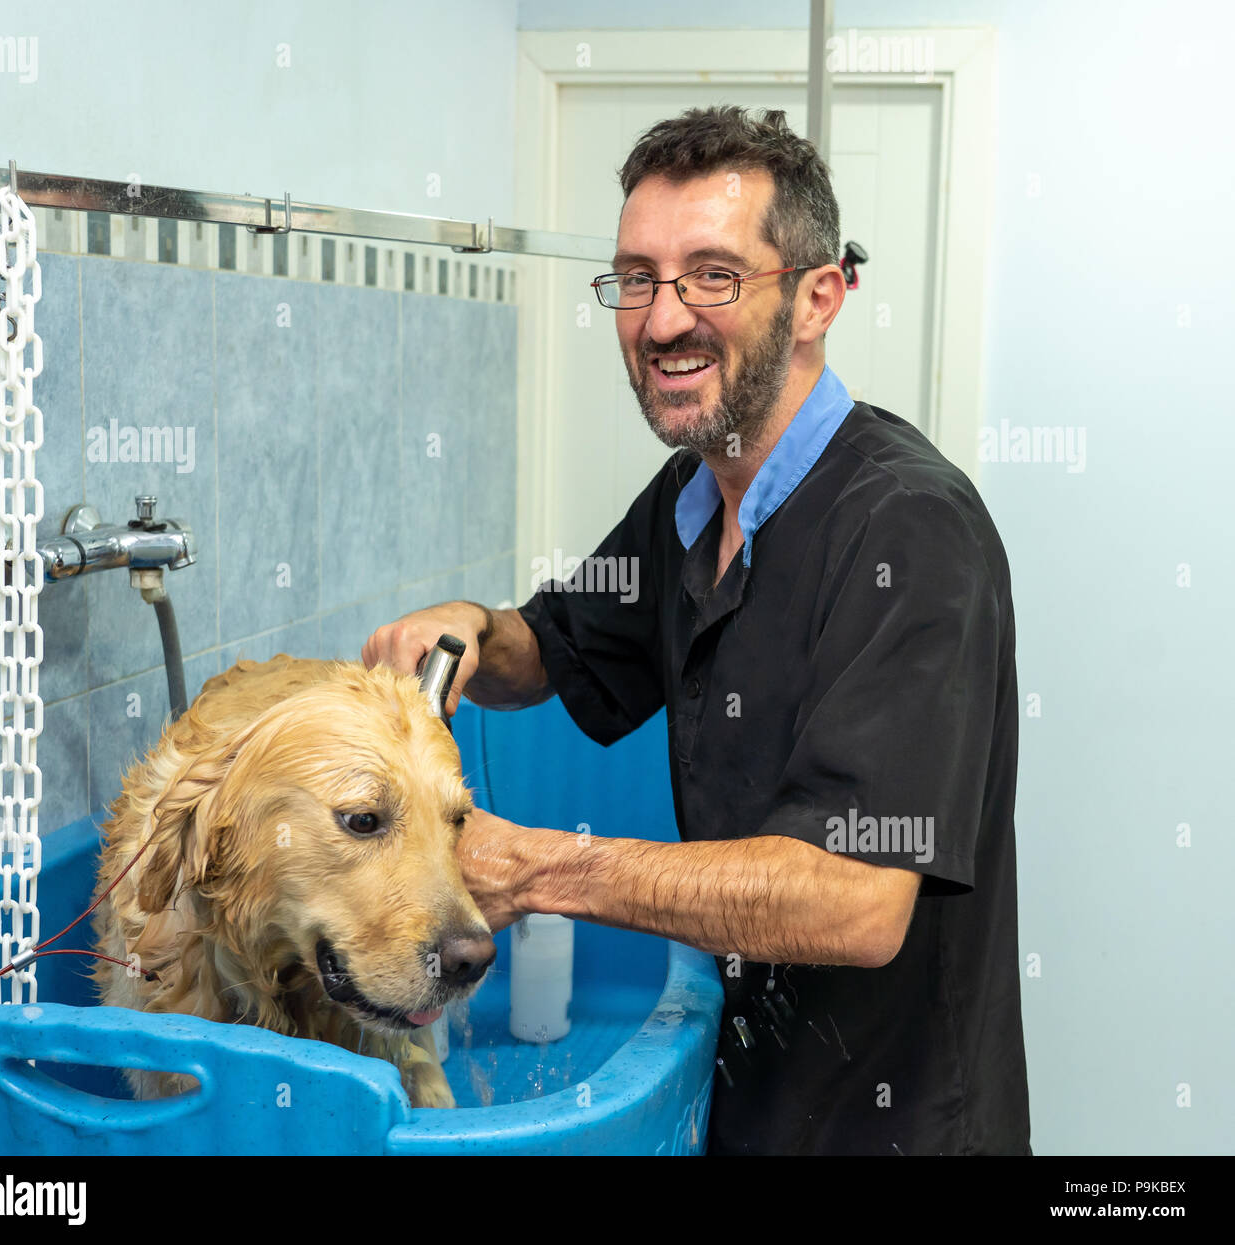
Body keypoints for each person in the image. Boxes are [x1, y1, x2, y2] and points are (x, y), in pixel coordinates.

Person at [364, 105, 1031, 1156]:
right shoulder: (691, 498)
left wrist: (538, 870)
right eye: (636, 277)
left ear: (818, 298)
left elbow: (855, 904)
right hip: (751, 1099)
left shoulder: (908, 528)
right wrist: (469, 628)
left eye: (712, 275)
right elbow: (551, 648)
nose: (663, 318)